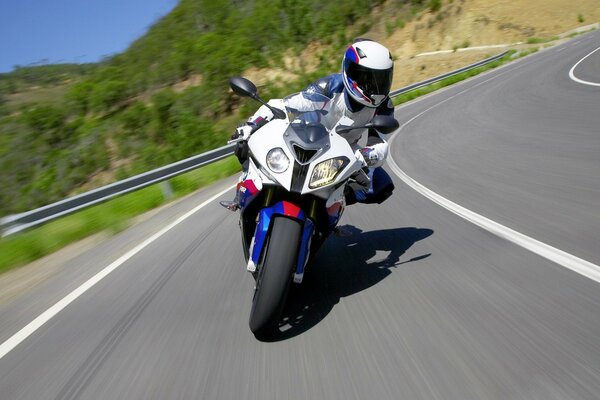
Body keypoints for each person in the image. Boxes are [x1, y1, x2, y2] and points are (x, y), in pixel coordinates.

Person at [223, 38, 396, 210]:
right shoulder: (331, 86)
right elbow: (288, 103)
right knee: (244, 143)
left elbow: (379, 142)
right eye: (367, 78)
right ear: (350, 71)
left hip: (345, 150)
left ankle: (335, 201)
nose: (374, 87)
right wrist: (251, 124)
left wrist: (367, 155)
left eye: (381, 79)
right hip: (308, 137)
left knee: (381, 185)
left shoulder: (384, 105)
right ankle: (244, 188)